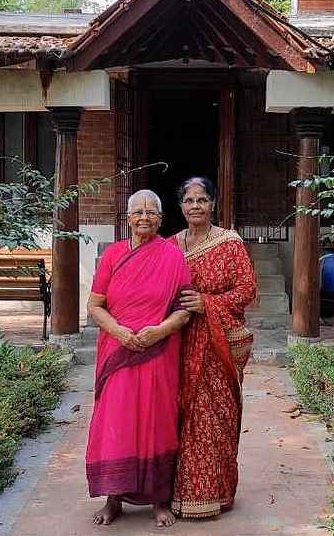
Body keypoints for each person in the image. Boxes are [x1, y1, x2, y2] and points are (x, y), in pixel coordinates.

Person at [85, 189, 192, 528]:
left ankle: (159, 499)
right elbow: (95, 305)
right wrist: (119, 332)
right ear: (127, 217)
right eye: (138, 211)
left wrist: (159, 331)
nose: (144, 217)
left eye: (151, 212)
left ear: (161, 219)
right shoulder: (114, 255)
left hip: (158, 351)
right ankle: (113, 498)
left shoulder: (173, 256)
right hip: (118, 351)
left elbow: (184, 310)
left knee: (156, 420)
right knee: (115, 421)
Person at [170, 177, 258, 519]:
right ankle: (182, 493)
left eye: (202, 200)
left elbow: (247, 290)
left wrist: (206, 303)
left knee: (215, 417)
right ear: (181, 206)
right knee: (183, 415)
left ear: (212, 204)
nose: (195, 206)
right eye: (189, 200)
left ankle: (216, 492)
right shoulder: (171, 246)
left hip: (219, 343)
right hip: (179, 342)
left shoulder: (230, 243)